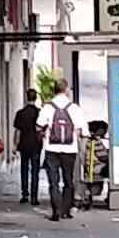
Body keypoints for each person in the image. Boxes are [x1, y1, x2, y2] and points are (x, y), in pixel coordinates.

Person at [41, 78, 81, 219]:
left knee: (54, 182)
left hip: (51, 148)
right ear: (66, 90)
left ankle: (56, 211)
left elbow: (38, 125)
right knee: (68, 180)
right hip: (70, 149)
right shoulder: (74, 108)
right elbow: (82, 129)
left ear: (54, 90)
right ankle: (66, 210)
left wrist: (45, 133)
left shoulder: (47, 107)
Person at [12, 88, 43, 207]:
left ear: (26, 98)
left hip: (24, 145)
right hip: (36, 145)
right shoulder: (39, 112)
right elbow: (42, 130)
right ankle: (34, 197)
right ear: (36, 98)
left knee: (24, 169)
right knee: (35, 170)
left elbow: (17, 131)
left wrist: (15, 145)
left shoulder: (20, 113)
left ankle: (25, 194)